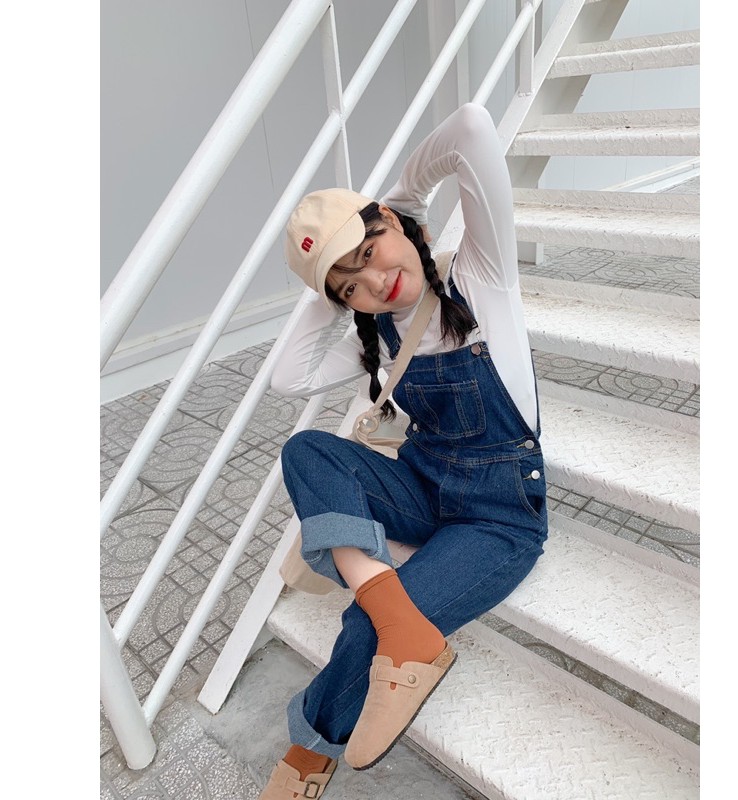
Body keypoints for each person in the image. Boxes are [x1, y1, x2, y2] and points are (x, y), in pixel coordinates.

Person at [259, 103, 548, 799]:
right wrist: (328, 281)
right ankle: (391, 605)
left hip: (497, 517)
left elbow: (472, 127)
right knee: (307, 450)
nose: (374, 282)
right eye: (350, 287)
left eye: (369, 252)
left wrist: (403, 204)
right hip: (423, 486)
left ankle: (307, 758)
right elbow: (288, 378)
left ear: (391, 221)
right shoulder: (384, 331)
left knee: (368, 626)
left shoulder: (483, 280)